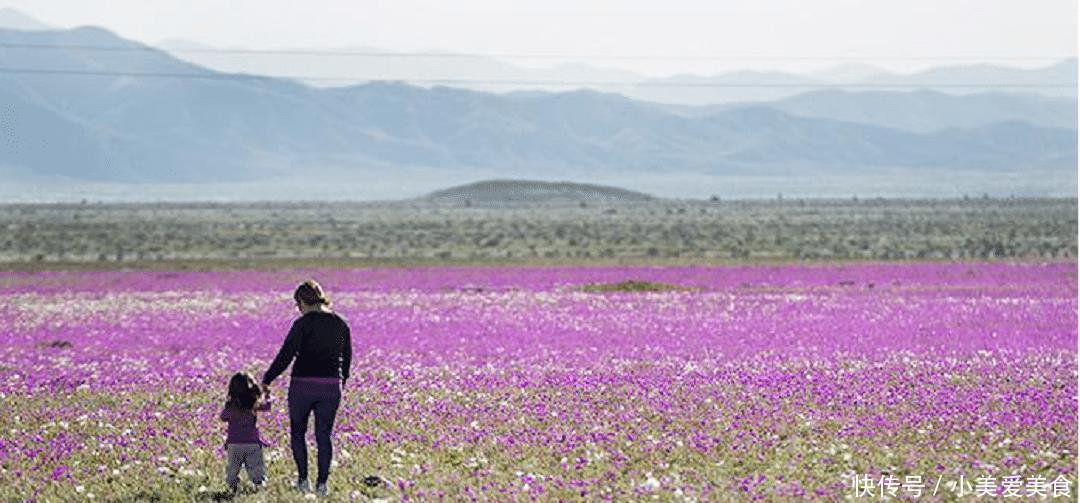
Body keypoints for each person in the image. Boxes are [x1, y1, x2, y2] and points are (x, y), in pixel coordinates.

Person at [262, 280, 352, 497]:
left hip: (302, 385)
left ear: (302, 301)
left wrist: (268, 378)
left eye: (297, 304)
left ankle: (303, 480)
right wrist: (343, 381)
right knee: (324, 435)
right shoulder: (340, 323)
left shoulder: (302, 324)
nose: (298, 308)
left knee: (298, 433)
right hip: (331, 386)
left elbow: (286, 355)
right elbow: (347, 357)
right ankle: (322, 485)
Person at [219, 372, 271, 493]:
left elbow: (223, 417)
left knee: (233, 467)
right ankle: (259, 484)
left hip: (234, 444)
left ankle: (232, 485)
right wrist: (267, 394)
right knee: (256, 466)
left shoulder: (231, 407)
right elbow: (267, 406)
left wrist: (229, 404)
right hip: (252, 443)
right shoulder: (253, 405)